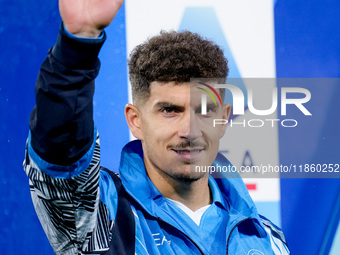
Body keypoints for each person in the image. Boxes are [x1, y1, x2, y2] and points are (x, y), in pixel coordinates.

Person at [23, 0, 290, 254]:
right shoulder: (101, 214)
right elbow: (60, 156)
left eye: (205, 111)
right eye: (170, 110)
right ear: (135, 120)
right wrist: (77, 46)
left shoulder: (268, 239)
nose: (191, 130)